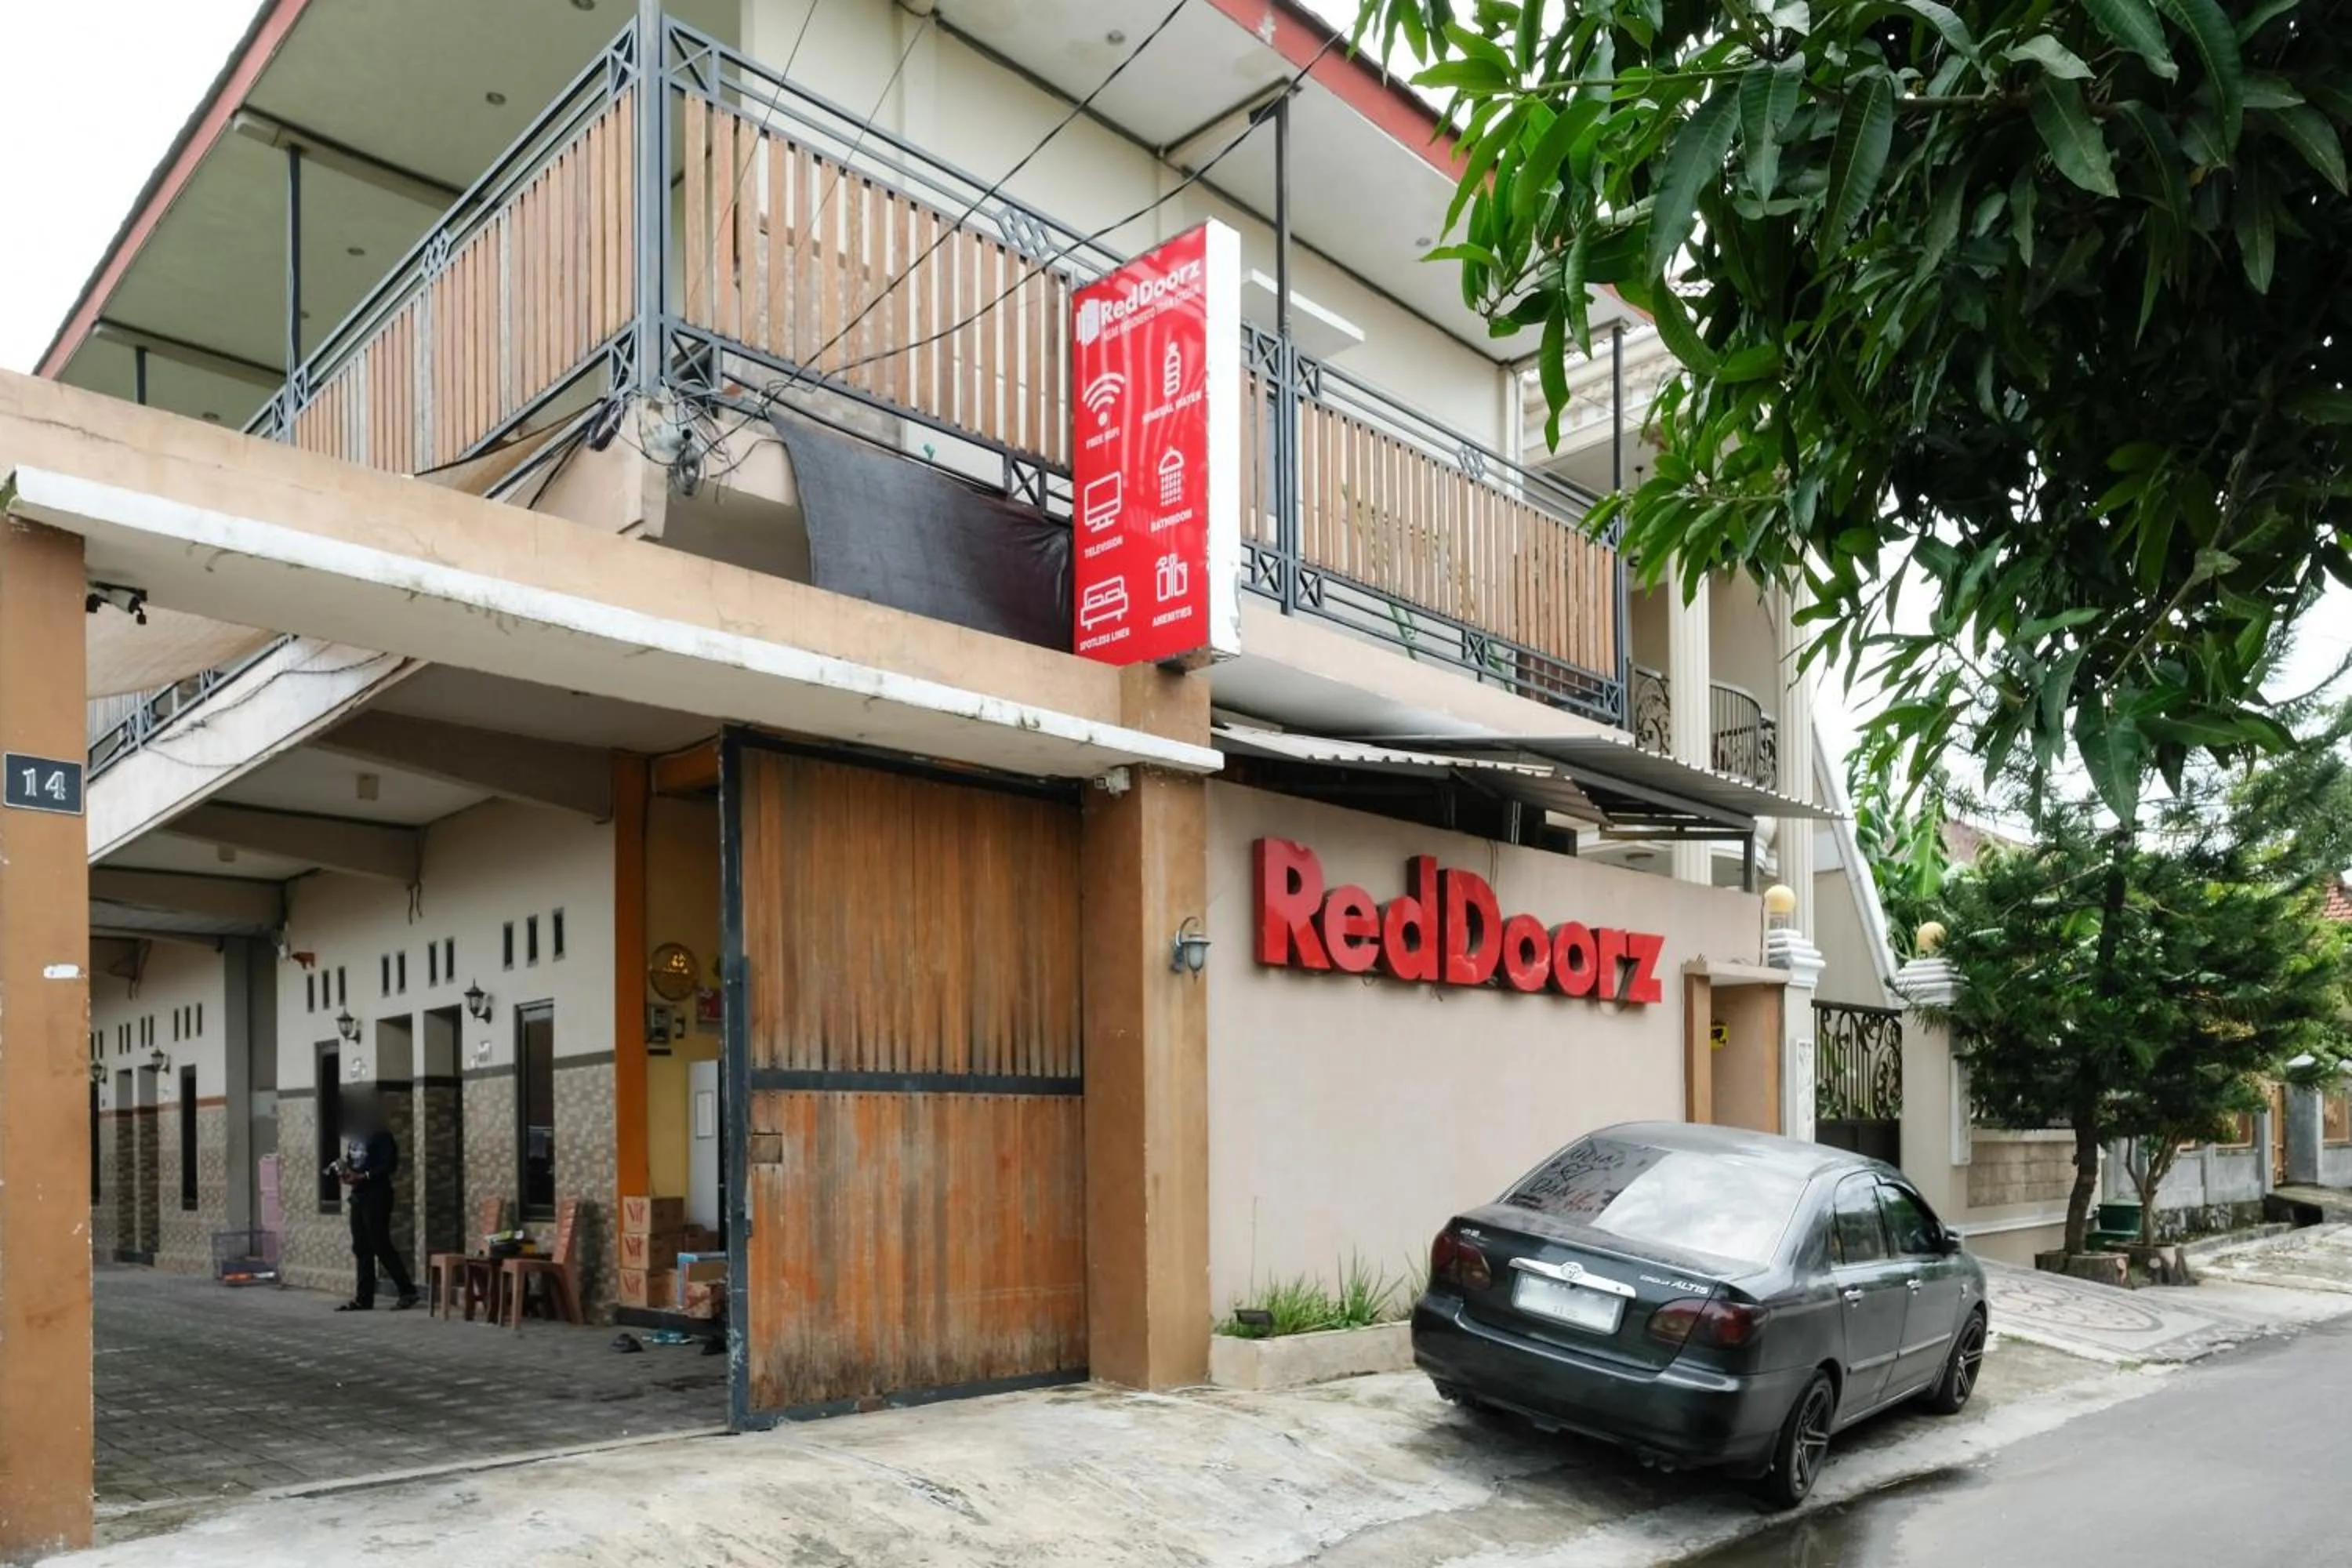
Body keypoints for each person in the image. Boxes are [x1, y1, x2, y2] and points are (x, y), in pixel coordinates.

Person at [333, 1092, 419, 1311]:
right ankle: (364, 1298)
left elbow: (388, 1165)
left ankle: (407, 1290)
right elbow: (354, 1162)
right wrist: (347, 1173)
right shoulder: (355, 1138)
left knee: (380, 1243)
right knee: (361, 1247)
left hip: (377, 1195)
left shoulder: (382, 1136)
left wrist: (365, 1177)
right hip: (358, 1196)